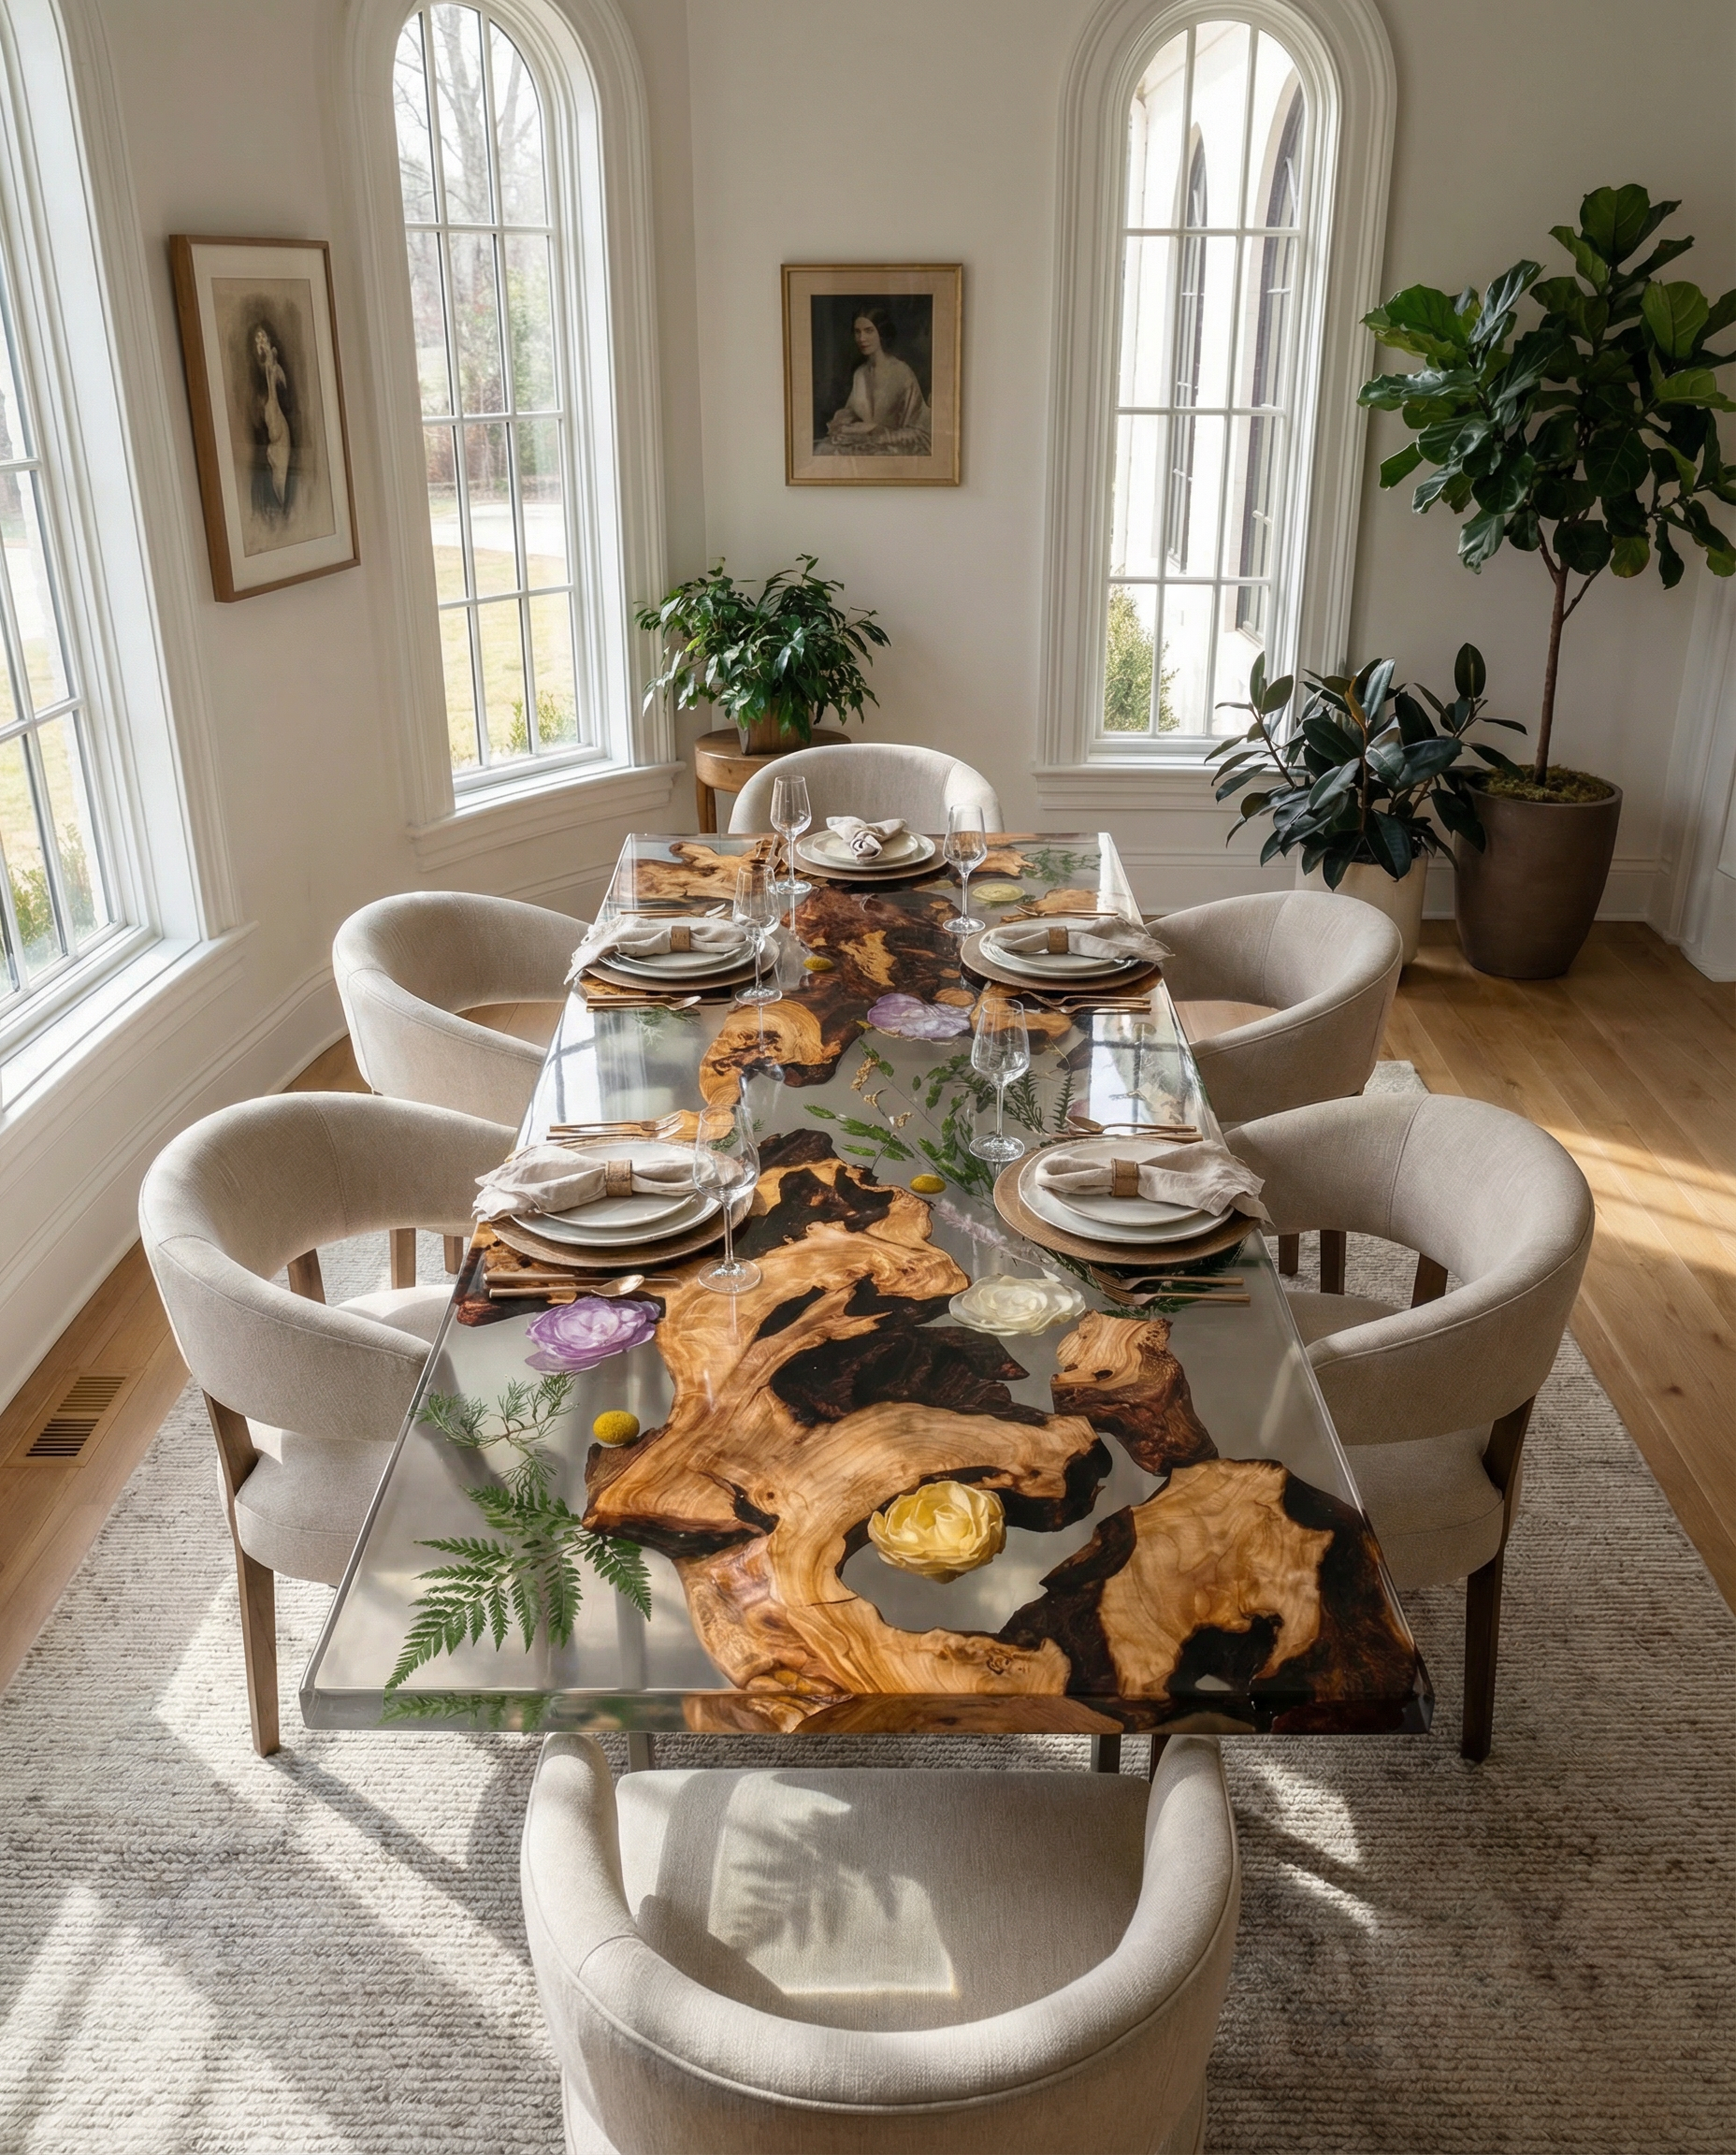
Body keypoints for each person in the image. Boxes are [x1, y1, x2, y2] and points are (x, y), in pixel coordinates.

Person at [819, 308, 931, 455]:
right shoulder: (860, 374)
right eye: (857, 332)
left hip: (894, 449)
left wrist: (873, 429)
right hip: (865, 446)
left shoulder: (902, 373)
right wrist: (844, 427)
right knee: (823, 449)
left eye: (869, 331)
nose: (862, 338)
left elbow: (920, 432)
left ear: (881, 333)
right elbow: (850, 413)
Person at [247, 319, 296, 521]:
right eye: (257, 338)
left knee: (282, 479)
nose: (261, 341)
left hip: (280, 436)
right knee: (273, 481)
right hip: (270, 442)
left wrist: (275, 370)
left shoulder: (274, 369)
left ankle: (284, 512)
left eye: (263, 337)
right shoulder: (257, 376)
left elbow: (284, 399)